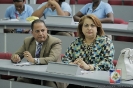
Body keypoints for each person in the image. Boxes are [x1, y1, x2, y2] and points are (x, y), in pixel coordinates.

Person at [62, 14, 115, 88]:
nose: (89, 28)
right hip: (80, 79)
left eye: (92, 25)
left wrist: (89, 67)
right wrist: (73, 64)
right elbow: (65, 59)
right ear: (81, 28)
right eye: (86, 25)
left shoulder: (106, 42)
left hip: (101, 80)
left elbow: (107, 63)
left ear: (97, 28)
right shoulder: (76, 43)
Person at [11, 19, 62, 88]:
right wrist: (15, 58)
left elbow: (53, 59)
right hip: (32, 74)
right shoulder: (28, 41)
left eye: (43, 30)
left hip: (50, 76)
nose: (41, 34)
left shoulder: (55, 42)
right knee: (21, 82)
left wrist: (33, 60)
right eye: (37, 31)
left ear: (47, 30)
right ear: (32, 33)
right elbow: (17, 54)